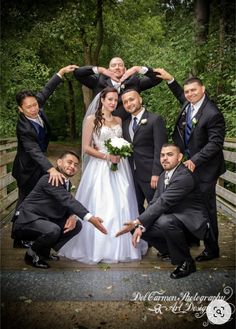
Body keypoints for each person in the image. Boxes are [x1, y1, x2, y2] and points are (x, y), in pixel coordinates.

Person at [58, 87, 148, 264]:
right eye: (110, 99)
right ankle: (97, 246)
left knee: (122, 203)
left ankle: (122, 245)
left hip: (120, 167)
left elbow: (122, 141)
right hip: (99, 166)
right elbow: (86, 147)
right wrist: (107, 156)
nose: (113, 103)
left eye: (116, 100)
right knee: (101, 202)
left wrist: (120, 154)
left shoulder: (119, 119)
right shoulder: (92, 120)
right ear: (102, 100)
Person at [154, 69, 226, 262]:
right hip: (187, 167)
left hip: (205, 169)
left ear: (203, 89)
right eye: (187, 91)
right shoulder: (188, 104)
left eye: (194, 90)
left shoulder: (212, 113)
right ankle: (191, 239)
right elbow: (179, 93)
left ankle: (212, 249)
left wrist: (195, 160)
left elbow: (215, 143)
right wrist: (170, 79)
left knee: (206, 208)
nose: (190, 94)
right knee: (187, 204)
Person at [116, 144, 209, 279]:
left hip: (191, 222)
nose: (165, 158)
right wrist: (140, 225)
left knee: (164, 221)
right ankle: (169, 251)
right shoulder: (163, 175)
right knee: (136, 227)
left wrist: (138, 221)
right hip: (175, 218)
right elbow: (154, 202)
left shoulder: (184, 176)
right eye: (162, 155)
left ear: (180, 157)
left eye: (169, 154)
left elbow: (163, 202)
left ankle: (187, 262)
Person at [11, 151, 107, 269]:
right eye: (69, 162)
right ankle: (31, 254)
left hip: (43, 219)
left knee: (76, 225)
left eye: (76, 165)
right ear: (59, 162)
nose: (72, 166)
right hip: (27, 221)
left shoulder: (66, 182)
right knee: (53, 230)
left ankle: (43, 251)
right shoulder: (50, 178)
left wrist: (72, 216)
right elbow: (68, 200)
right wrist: (91, 219)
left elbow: (65, 203)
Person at [12, 65, 78, 208]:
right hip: (27, 169)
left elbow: (47, 90)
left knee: (43, 197)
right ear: (20, 109)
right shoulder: (23, 128)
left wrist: (61, 72)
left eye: (35, 104)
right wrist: (52, 169)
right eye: (28, 107)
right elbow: (34, 151)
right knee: (25, 201)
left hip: (40, 164)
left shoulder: (36, 105)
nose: (34, 109)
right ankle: (18, 226)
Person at [121, 89, 168, 214]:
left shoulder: (155, 119)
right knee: (135, 209)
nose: (129, 103)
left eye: (131, 99)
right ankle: (142, 233)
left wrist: (157, 173)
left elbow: (160, 149)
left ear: (140, 99)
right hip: (131, 175)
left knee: (156, 209)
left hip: (150, 175)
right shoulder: (125, 124)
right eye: (125, 102)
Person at [73, 57, 162, 120]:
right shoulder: (98, 82)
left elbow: (158, 77)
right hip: (103, 127)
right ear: (108, 69)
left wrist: (138, 69)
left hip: (128, 130)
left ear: (125, 69)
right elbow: (77, 73)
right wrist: (100, 70)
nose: (117, 67)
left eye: (120, 65)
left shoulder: (134, 82)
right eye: (113, 65)